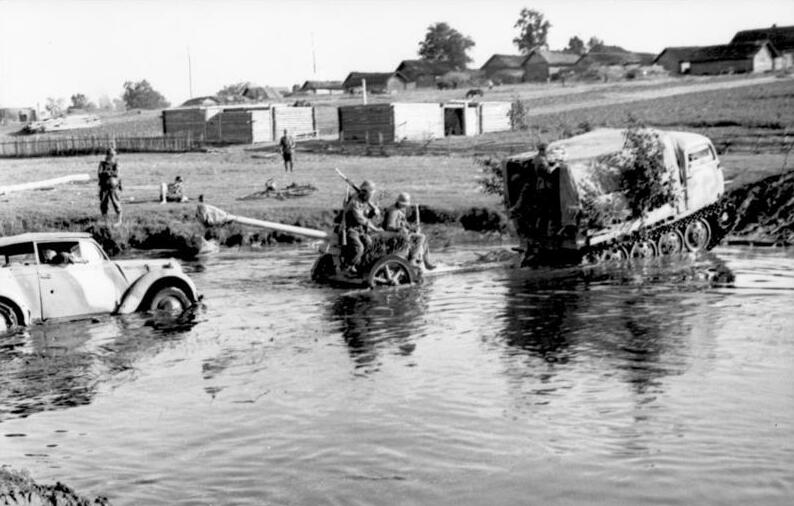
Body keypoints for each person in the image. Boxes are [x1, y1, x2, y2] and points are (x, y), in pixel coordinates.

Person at [383, 192, 436, 270]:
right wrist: (399, 229)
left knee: (424, 239)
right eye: (403, 204)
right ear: (399, 202)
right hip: (393, 234)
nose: (404, 206)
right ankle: (412, 260)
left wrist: (412, 228)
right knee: (420, 237)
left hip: (402, 233)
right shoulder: (393, 211)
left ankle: (426, 261)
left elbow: (404, 223)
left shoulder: (400, 209)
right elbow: (389, 226)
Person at [343, 180, 382, 275]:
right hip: (351, 230)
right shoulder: (354, 203)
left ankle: (362, 265)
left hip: (361, 231)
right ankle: (348, 267)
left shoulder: (364, 201)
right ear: (367, 193)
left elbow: (366, 216)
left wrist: (373, 212)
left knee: (370, 244)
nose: (371, 196)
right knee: (359, 248)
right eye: (371, 194)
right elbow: (361, 219)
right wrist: (375, 229)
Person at [97, 147, 122, 226]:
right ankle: (105, 220)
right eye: (111, 155)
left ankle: (119, 220)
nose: (113, 156)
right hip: (104, 186)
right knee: (103, 203)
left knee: (115, 202)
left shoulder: (115, 164)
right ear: (107, 155)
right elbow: (99, 173)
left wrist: (109, 173)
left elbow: (116, 173)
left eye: (114, 155)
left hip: (113, 187)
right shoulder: (102, 164)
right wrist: (107, 173)